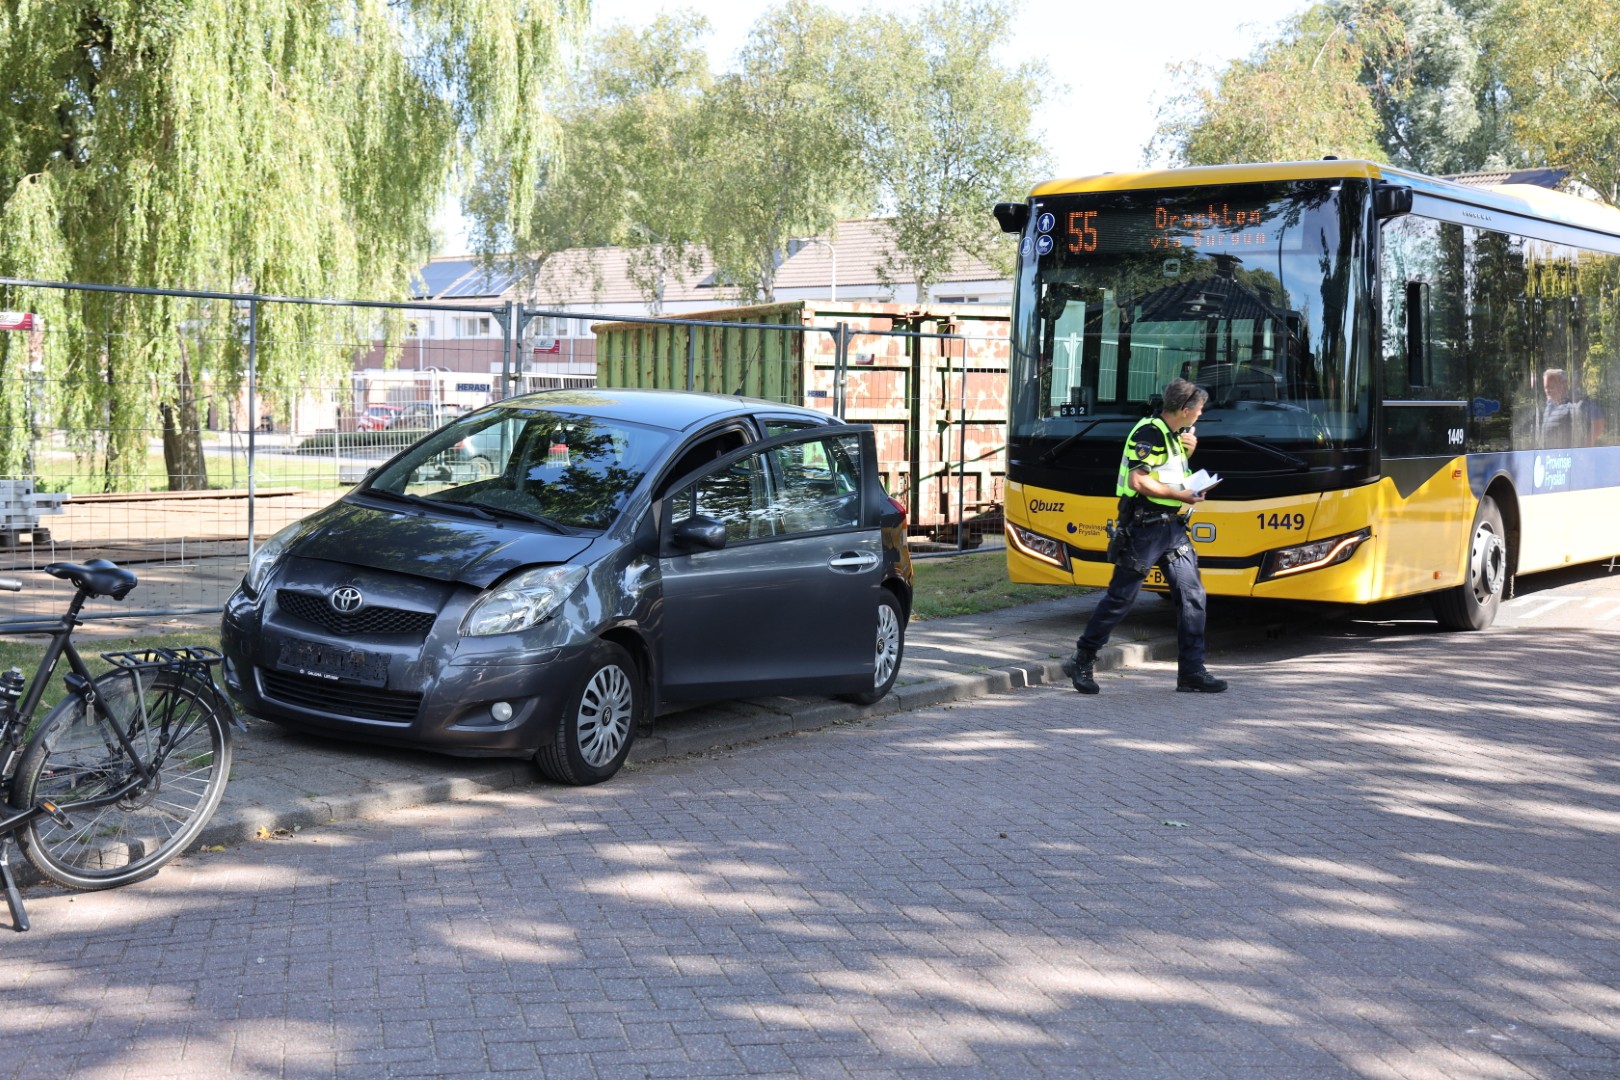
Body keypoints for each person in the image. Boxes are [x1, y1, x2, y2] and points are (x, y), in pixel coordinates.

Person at [1062, 377, 1227, 694]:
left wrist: (1188, 457)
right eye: (1199, 409)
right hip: (1146, 529)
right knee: (1121, 599)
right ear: (1184, 409)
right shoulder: (1149, 433)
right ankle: (1081, 659)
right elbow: (1139, 481)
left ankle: (1192, 672)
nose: (1200, 415)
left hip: (1172, 530)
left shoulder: (1172, 435)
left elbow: (1166, 474)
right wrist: (1181, 496)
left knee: (1193, 597)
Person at [1542, 368, 1606, 447]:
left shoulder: (1578, 402)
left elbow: (1599, 421)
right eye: (1546, 388)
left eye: (1551, 387)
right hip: (1550, 456)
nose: (1548, 391)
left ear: (1563, 385)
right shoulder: (1549, 406)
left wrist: (1587, 446)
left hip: (1572, 456)